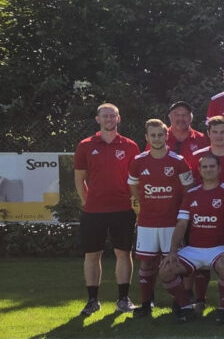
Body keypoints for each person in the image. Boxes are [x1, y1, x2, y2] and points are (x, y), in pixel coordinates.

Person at [74, 103, 140, 316]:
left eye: (113, 116)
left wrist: (135, 205)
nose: (109, 119)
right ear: (98, 119)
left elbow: (136, 180)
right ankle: (92, 301)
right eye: (105, 116)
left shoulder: (130, 146)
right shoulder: (85, 145)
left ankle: (123, 299)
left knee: (124, 253)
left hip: (123, 209)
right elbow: (79, 179)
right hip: (94, 211)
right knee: (92, 255)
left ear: (118, 118)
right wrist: (87, 201)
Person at [158, 154, 224, 323]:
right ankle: (186, 307)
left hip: (218, 248)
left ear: (219, 169)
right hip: (194, 249)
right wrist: (172, 252)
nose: (208, 170)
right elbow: (181, 224)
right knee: (165, 270)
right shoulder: (191, 193)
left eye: (212, 166)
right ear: (199, 171)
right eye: (205, 167)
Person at [128, 119, 194, 317]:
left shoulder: (178, 161)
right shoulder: (138, 161)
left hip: (171, 223)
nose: (157, 139)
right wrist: (142, 202)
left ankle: (180, 303)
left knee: (172, 264)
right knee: (146, 263)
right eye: (153, 135)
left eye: (160, 135)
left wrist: (182, 212)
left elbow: (189, 189)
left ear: (167, 136)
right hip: (147, 222)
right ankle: (146, 304)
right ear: (147, 137)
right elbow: (133, 185)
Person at [163, 101, 208, 171]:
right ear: (169, 116)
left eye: (185, 115)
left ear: (191, 118)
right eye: (176, 114)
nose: (181, 118)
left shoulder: (201, 139)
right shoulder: (159, 138)